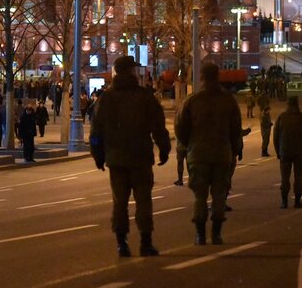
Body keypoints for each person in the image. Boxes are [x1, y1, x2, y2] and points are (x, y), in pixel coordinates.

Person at [90, 56, 170, 257]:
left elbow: (96, 131)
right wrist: (164, 148)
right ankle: (145, 243)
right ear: (131, 72)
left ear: (116, 72)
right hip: (140, 157)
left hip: (116, 159)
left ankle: (122, 244)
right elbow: (158, 125)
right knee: (143, 200)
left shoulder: (106, 98)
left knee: (120, 202)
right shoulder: (144, 96)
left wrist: (98, 156)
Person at [175, 63, 243, 245]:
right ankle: (216, 233)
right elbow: (236, 129)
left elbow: (180, 128)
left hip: (198, 155)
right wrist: (234, 149)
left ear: (202, 77)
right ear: (217, 76)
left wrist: (190, 144)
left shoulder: (192, 101)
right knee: (219, 195)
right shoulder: (228, 100)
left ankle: (200, 235)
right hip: (222, 154)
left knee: (200, 196)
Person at [273, 96, 302, 209]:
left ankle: (284, 202)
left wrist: (278, 151)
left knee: (284, 177)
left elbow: (275, 136)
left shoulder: (282, 117)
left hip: (285, 151)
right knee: (298, 177)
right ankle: (297, 201)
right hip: (299, 152)